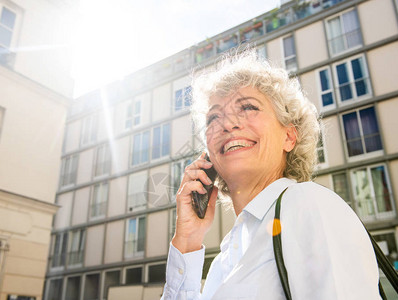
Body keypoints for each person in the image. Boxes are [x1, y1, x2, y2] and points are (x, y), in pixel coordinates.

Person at [161, 51, 380, 299]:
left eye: (247, 107)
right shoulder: (224, 260)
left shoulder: (307, 204)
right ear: (209, 156)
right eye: (214, 117)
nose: (227, 124)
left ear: (288, 136)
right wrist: (188, 240)